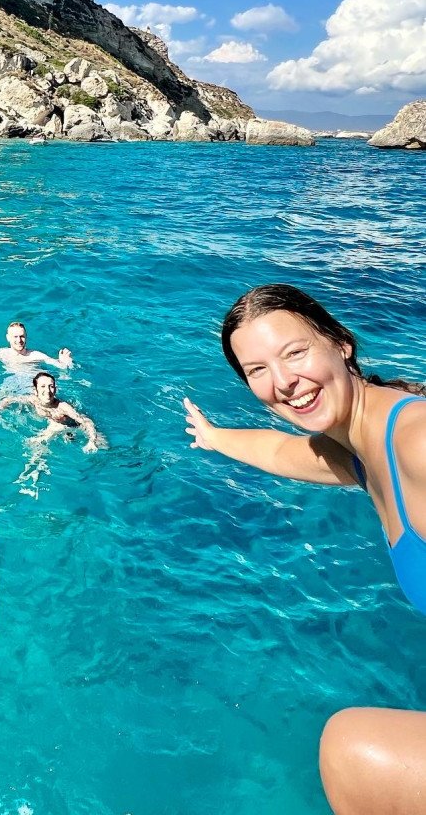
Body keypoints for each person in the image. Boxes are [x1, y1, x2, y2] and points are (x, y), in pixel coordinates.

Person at [183, 284, 426, 815]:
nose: (283, 382)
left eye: (295, 353)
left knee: (353, 750)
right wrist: (214, 436)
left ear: (341, 343)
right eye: (257, 370)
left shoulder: (416, 442)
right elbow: (280, 450)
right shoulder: (361, 453)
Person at [0, 371, 105, 453]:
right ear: (36, 390)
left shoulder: (62, 407)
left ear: (55, 389)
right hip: (59, 429)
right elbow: (8, 400)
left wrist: (92, 441)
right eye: (43, 386)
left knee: (102, 449)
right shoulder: (32, 400)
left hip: (72, 427)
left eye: (51, 386)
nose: (48, 390)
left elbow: (85, 421)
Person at [0, 321, 73, 371]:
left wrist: (65, 363)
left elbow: (58, 365)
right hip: (11, 380)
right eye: (15, 337)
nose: (19, 340)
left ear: (26, 337)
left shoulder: (35, 355)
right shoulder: (2, 352)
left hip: (31, 385)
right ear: (8, 338)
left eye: (22, 336)